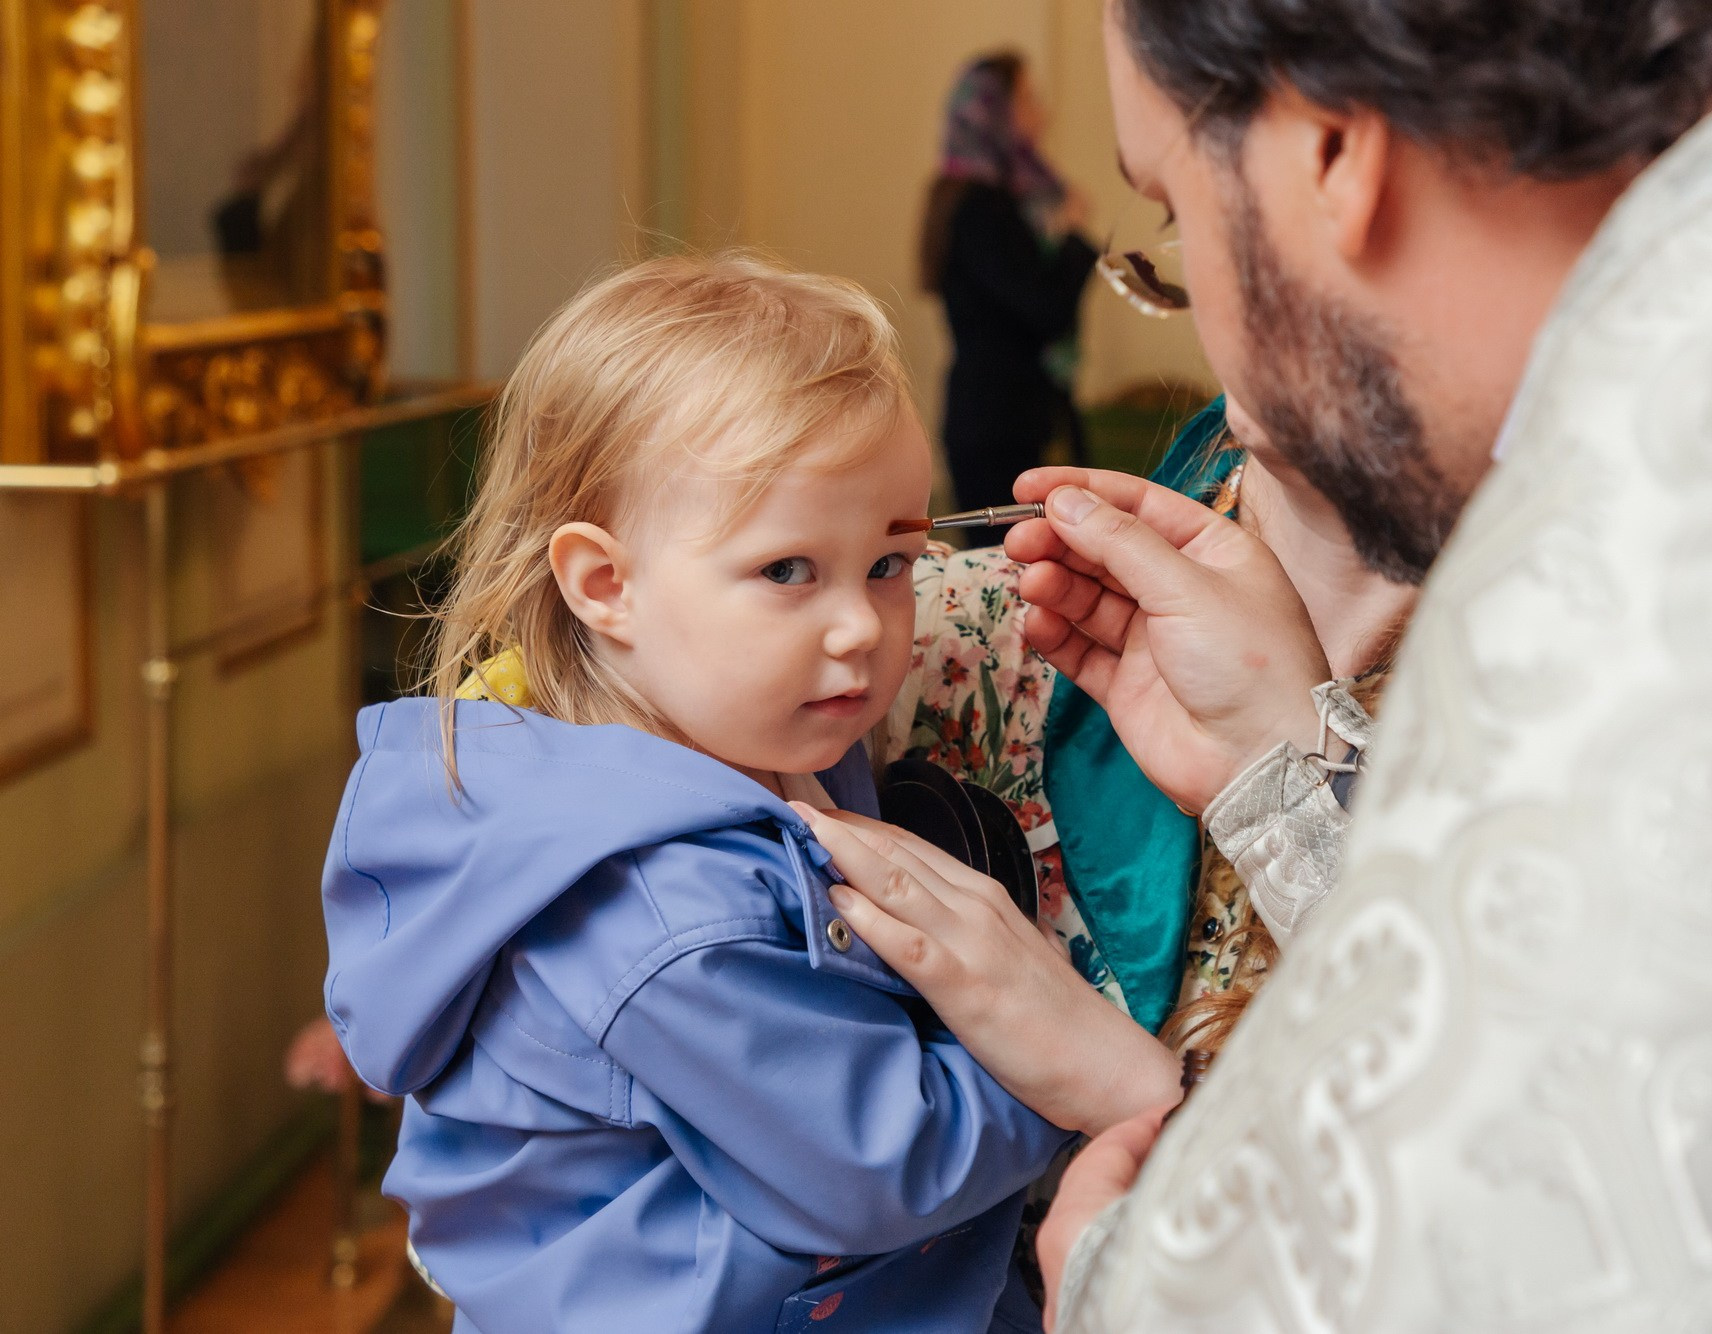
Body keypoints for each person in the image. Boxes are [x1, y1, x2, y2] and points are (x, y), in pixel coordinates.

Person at [807, 0, 1712, 1327]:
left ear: (1333, 148)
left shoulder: (1697, 530)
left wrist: (1123, 1278)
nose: (1210, 339)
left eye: (1178, 211)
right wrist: (1283, 771)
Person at [317, 253, 1178, 1334]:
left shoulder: (731, 728)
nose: (861, 626)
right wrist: (1062, 1072)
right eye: (786, 572)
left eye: (888, 562)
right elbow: (882, 1161)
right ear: (605, 584)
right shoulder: (660, 910)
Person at [920, 52, 1098, 544]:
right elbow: (1046, 309)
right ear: (992, 112)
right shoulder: (980, 206)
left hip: (1009, 412)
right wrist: (1073, 236)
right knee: (1008, 577)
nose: (1042, 111)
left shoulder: (1001, 199)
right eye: (1026, 99)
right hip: (998, 422)